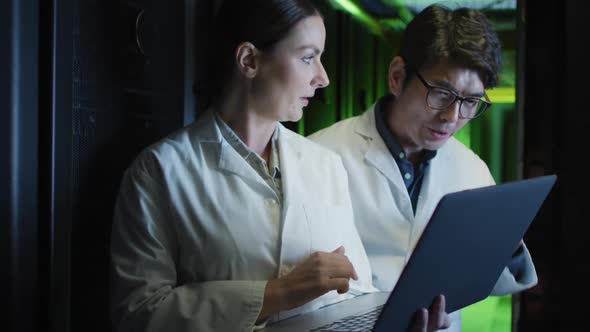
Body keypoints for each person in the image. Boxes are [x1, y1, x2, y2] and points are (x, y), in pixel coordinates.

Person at [109, 1, 449, 331]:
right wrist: (277, 293)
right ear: (249, 60)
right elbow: (138, 313)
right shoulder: (160, 172)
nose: (323, 78)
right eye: (307, 58)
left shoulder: (324, 163)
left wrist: (398, 324)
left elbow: (356, 289)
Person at [309, 3, 538, 332]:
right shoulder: (321, 155)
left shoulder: (471, 168)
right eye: (442, 93)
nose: (452, 117)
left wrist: (506, 245)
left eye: (470, 102)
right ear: (398, 76)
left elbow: (492, 283)